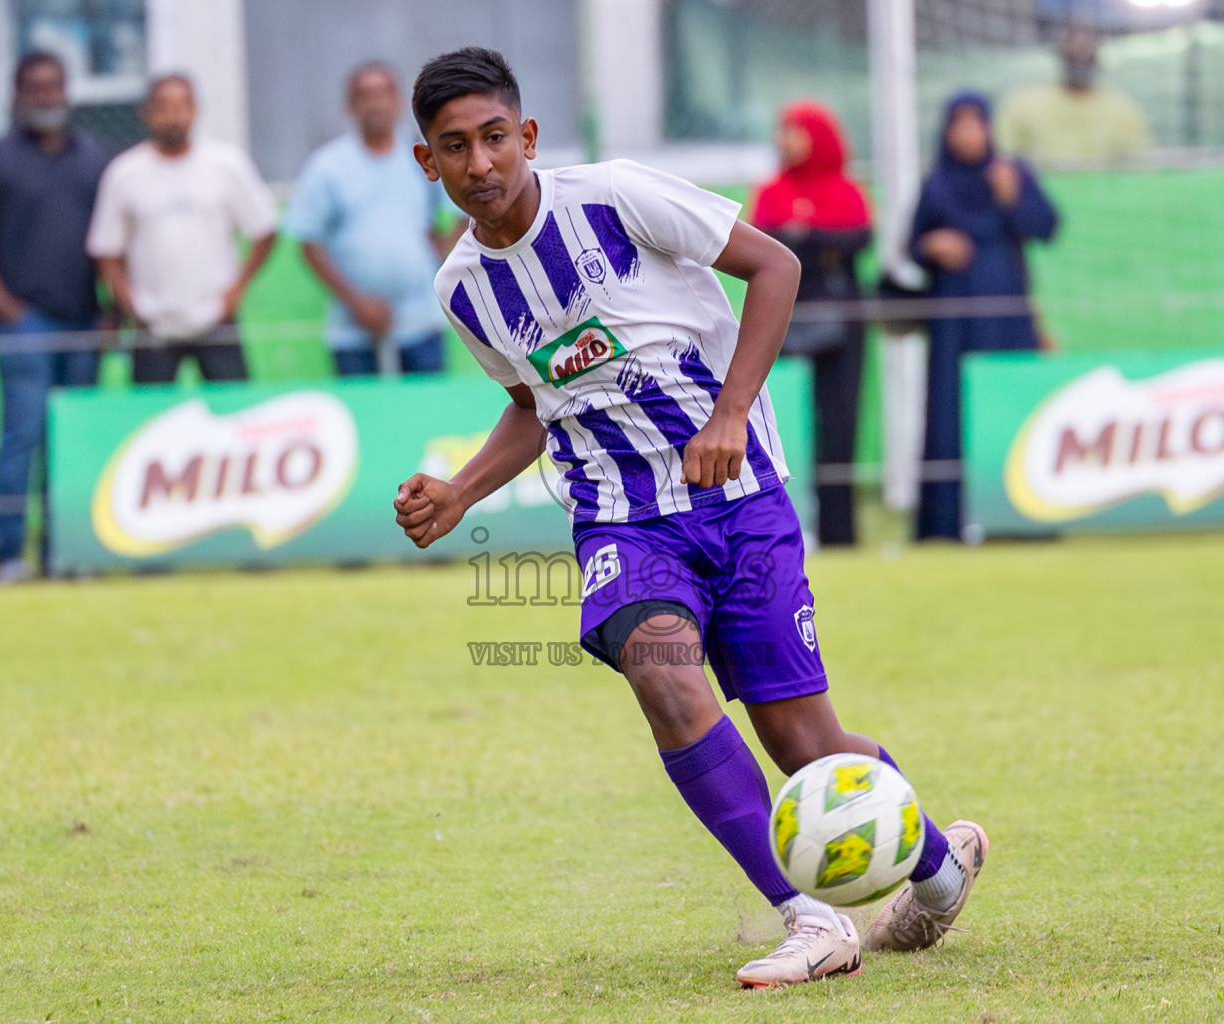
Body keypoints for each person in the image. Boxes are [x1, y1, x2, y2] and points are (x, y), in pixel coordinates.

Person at [393, 47, 988, 990]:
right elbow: (531, 405)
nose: (481, 165)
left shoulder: (619, 196)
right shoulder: (461, 291)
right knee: (665, 679)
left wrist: (731, 410)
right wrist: (461, 491)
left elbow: (778, 266)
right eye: (455, 148)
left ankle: (937, 868)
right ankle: (811, 920)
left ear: (527, 136)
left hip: (739, 496)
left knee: (802, 742)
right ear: (428, 162)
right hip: (621, 522)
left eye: (495, 138)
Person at [0, 51, 113, 584]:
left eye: (54, 86)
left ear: (68, 91)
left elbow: (114, 241)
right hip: (23, 322)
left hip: (84, 320)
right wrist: (2, 305)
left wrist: (111, 310)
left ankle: (67, 551)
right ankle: (8, 555)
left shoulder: (94, 157)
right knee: (22, 433)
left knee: (73, 438)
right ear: (16, 95)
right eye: (34, 87)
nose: (46, 96)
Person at [910, 92, 1058, 541]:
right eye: (959, 124)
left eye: (977, 123)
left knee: (1013, 404)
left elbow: (1045, 227)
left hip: (1008, 314)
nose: (968, 133)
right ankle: (946, 524)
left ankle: (1023, 519)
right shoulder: (936, 183)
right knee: (950, 412)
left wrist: (1012, 198)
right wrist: (933, 246)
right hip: (953, 319)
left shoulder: (1009, 174)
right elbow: (911, 244)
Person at [87, 73, 277, 384]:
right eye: (163, 107)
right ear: (147, 113)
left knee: (232, 415)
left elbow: (265, 229)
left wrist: (236, 290)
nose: (173, 116)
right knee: (152, 419)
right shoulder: (125, 172)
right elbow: (106, 249)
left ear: (196, 110)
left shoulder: (225, 163)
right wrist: (128, 301)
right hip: (153, 321)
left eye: (181, 106)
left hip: (215, 317)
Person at [751, 101, 872, 547]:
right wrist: (811, 240)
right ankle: (779, 526)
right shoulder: (772, 189)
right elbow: (762, 239)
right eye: (783, 131)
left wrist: (803, 234)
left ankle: (842, 533)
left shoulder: (847, 190)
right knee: (777, 424)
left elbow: (858, 238)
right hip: (783, 321)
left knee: (840, 425)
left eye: (795, 131)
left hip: (842, 322)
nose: (785, 140)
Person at [289, 62, 458, 377]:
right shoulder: (328, 166)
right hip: (352, 328)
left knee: (426, 415)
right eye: (365, 95)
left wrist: (444, 250)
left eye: (384, 93)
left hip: (421, 322)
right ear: (349, 106)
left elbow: (463, 212)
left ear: (399, 102)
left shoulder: (422, 158)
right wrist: (357, 302)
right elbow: (309, 243)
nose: (375, 103)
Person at [998, 22, 1149, 167]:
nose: (1080, 53)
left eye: (1086, 53)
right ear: (1060, 55)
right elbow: (1005, 161)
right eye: (1073, 54)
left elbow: (1138, 163)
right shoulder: (1023, 104)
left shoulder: (1122, 109)